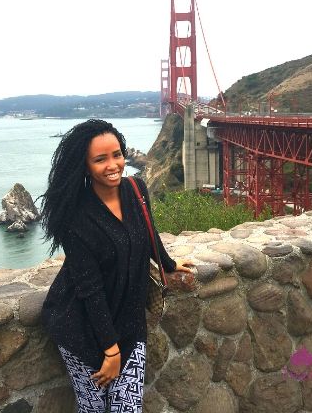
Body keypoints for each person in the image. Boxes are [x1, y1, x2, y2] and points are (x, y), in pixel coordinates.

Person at [40, 119, 193, 413]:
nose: (113, 165)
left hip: (129, 322)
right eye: (100, 159)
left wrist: (169, 263)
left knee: (127, 408)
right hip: (81, 327)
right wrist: (110, 351)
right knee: (94, 408)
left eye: (117, 154)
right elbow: (90, 289)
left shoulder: (136, 189)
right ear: (85, 166)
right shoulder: (76, 216)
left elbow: (148, 232)